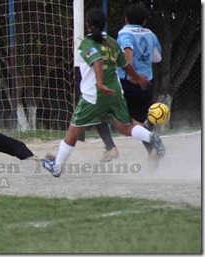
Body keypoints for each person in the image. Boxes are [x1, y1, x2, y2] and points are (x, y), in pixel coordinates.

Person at [41, 8, 165, 177]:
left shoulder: (87, 42)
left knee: (73, 132)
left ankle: (57, 166)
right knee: (124, 126)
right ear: (105, 24)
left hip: (95, 95)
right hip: (115, 93)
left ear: (87, 24)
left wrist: (99, 82)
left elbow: (97, 60)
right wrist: (137, 78)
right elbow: (125, 65)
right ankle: (151, 137)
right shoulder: (113, 43)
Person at [96, 4, 162, 161]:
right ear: (145, 21)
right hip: (146, 85)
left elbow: (127, 53)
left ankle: (111, 149)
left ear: (125, 19)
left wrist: (133, 75)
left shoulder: (125, 33)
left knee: (99, 112)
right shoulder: (151, 35)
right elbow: (157, 58)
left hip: (127, 84)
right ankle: (153, 150)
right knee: (137, 122)